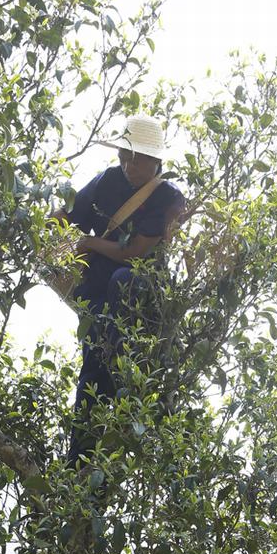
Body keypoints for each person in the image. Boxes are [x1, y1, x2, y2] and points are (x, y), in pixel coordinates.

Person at [55, 114, 185, 461]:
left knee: (122, 280)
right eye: (123, 155)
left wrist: (88, 244)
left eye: (136, 158)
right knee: (91, 375)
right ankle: (79, 464)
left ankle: (124, 384)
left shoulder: (169, 197)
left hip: (136, 296)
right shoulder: (107, 181)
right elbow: (68, 214)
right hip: (98, 298)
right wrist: (36, 229)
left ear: (155, 160)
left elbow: (135, 253)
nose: (127, 165)